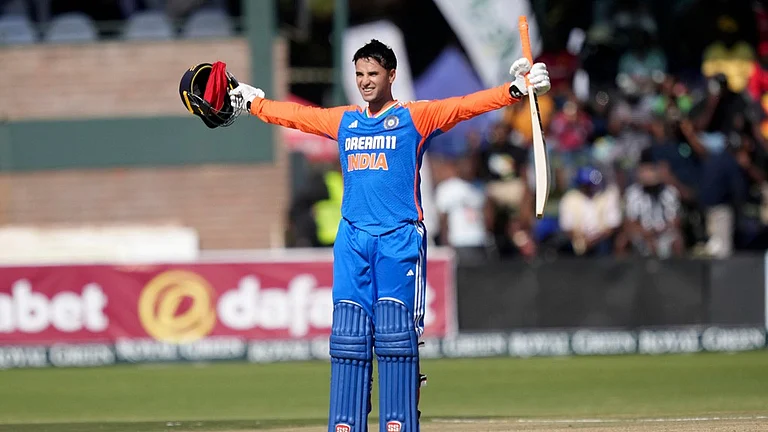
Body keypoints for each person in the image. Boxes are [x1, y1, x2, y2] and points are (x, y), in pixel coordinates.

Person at [228, 39, 550, 432]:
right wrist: (252, 102)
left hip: (399, 239)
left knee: (396, 337)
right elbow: (297, 116)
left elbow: (467, 105)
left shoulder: (417, 117)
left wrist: (515, 89)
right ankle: (346, 424)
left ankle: (398, 423)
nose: (364, 82)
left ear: (392, 76)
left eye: (373, 74)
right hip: (352, 242)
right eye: (360, 74)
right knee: (348, 336)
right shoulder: (345, 120)